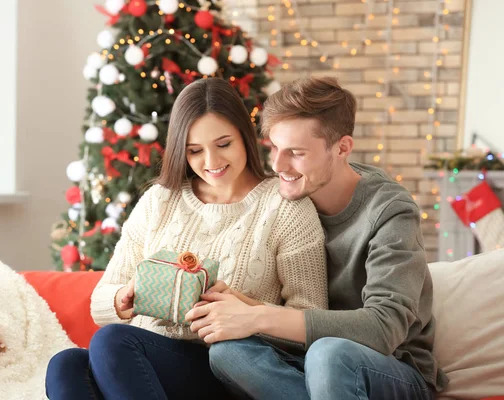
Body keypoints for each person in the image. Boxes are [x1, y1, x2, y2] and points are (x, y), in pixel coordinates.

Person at [45, 78, 328, 400]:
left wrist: (244, 309)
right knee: (66, 364)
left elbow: (311, 318)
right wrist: (126, 296)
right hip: (144, 358)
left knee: (114, 342)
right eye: (195, 151)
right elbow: (100, 302)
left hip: (227, 366)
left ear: (245, 138)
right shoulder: (160, 201)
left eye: (223, 144)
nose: (211, 163)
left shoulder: (286, 207)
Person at [186, 76, 449, 399]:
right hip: (307, 359)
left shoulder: (390, 211)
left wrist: (258, 316)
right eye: (274, 149)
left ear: (342, 148)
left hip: (391, 369)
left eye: (296, 153)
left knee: (330, 354)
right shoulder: (288, 200)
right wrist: (244, 309)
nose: (278, 166)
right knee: (228, 353)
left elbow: (385, 328)